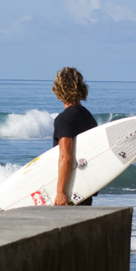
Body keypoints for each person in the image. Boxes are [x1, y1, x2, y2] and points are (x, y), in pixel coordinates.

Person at [51, 67, 97, 206]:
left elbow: (66, 156)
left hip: (70, 191)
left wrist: (61, 193)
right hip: (85, 188)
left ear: (58, 90)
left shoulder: (64, 119)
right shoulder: (87, 116)